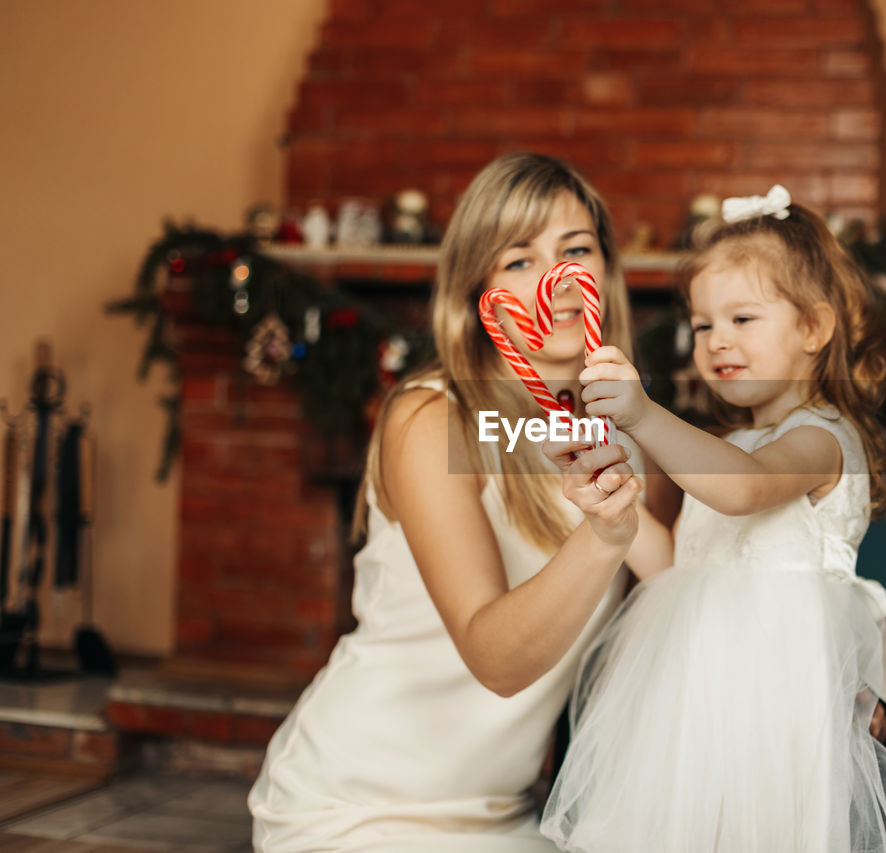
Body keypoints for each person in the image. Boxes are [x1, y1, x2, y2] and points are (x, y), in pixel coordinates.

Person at [248, 153, 671, 852]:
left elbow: (686, 596)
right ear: (480, 288)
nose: (555, 280)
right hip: (355, 807)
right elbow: (495, 659)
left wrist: (829, 685)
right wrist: (600, 536)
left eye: (575, 250)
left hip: (502, 818)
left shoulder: (632, 442)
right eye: (518, 259)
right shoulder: (430, 418)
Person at [540, 186, 886, 852]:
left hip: (775, 695)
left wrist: (640, 414)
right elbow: (675, 563)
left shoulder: (823, 437)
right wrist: (618, 499)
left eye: (742, 318)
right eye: (702, 325)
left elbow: (744, 491)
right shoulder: (727, 448)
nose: (717, 339)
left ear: (813, 328)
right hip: (693, 686)